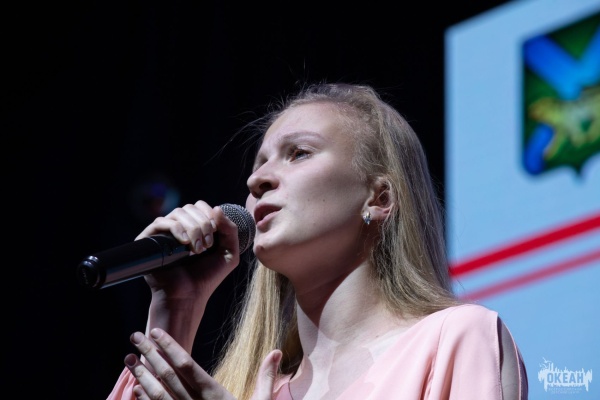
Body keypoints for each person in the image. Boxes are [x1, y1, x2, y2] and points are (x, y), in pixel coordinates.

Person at [107, 82, 528, 399]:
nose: (257, 180)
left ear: (380, 198)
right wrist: (177, 306)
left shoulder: (456, 339)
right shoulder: (246, 390)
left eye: (299, 153)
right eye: (258, 165)